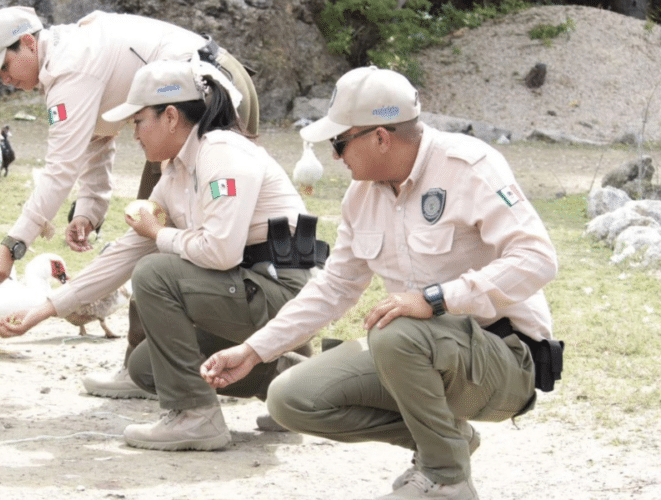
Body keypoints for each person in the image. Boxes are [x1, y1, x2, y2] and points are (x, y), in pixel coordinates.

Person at [201, 66, 561, 499]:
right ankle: (447, 442)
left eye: (339, 142)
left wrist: (436, 299)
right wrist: (254, 350)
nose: (335, 156)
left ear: (380, 137)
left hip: (503, 358)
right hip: (417, 355)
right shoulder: (361, 197)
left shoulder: (469, 166)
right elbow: (333, 288)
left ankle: (447, 480)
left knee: (398, 331)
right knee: (290, 397)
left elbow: (537, 258)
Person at [0, 59, 327, 451]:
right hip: (250, 292)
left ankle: (196, 416)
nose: (134, 133)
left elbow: (219, 252)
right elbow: (124, 254)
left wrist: (160, 234)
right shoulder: (178, 172)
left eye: (138, 120)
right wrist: (45, 310)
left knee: (155, 273)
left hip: (284, 293)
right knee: (145, 367)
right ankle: (295, 385)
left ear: (170, 116)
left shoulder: (222, 154)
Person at [0, 7, 262, 398]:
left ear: (27, 42)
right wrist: (90, 208)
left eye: (4, 67)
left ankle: (153, 368)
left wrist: (13, 245)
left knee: (159, 234)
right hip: (206, 87)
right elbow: (98, 137)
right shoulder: (64, 62)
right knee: (163, 228)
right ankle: (175, 361)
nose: (4, 80)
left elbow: (60, 169)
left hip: (209, 94)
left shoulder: (72, 65)